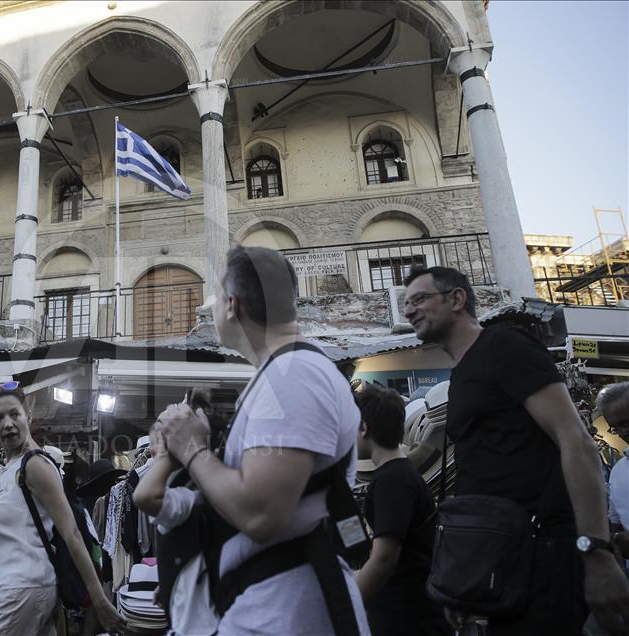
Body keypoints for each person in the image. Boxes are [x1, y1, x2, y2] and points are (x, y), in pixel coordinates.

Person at [402, 266, 629, 635]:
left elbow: (576, 441)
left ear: (457, 299)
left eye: (419, 298)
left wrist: (596, 551)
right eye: (406, 302)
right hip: (501, 560)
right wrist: (465, 576)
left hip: (544, 553)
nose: (409, 310)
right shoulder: (460, 374)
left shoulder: (503, 346)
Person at [158, 245, 369, 635]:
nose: (212, 307)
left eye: (215, 296)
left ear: (232, 305)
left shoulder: (292, 374)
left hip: (281, 610)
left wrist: (192, 449)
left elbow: (260, 512)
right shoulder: (283, 372)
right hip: (268, 603)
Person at [0, 382, 125, 636]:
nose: (8, 423)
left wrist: (98, 600)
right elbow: (17, 539)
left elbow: (71, 533)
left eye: (14, 414)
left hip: (25, 589)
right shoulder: (8, 469)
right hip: (14, 592)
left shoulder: (35, 466)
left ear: (27, 416)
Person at [352, 384, 448, 636]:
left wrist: (351, 599)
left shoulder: (391, 481)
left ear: (364, 429)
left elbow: (385, 557)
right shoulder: (401, 474)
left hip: (406, 617)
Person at [133, 425, 220, 636]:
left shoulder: (184, 498)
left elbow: (144, 497)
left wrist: (171, 456)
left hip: (197, 624)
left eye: (159, 443)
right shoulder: (204, 487)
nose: (154, 451)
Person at [599, 382, 629, 561]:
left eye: (627, 422)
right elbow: (616, 523)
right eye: (616, 427)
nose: (623, 432)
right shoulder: (618, 471)